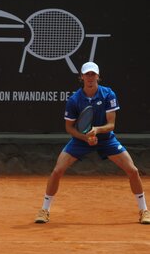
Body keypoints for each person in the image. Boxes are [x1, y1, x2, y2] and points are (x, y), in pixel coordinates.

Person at [35, 62, 150, 225]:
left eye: (93, 74)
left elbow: (111, 125)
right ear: (81, 77)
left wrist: (96, 130)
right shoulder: (74, 99)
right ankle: (44, 210)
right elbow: (69, 127)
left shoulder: (108, 94)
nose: (90, 77)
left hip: (106, 139)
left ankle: (144, 210)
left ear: (98, 76)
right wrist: (85, 138)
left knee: (133, 170)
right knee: (57, 170)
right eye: (87, 74)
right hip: (81, 140)